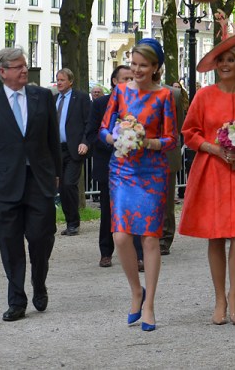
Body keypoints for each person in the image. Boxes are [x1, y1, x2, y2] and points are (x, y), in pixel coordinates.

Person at [179, 30, 235, 326]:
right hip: (211, 171)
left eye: (230, 59)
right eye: (221, 60)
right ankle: (219, 299)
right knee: (215, 237)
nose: (225, 64)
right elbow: (189, 132)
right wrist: (216, 149)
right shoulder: (203, 96)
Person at [0, 47, 61, 322]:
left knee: (40, 238)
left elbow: (52, 138)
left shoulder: (42, 96)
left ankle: (39, 280)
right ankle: (16, 300)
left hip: (39, 181)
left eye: (25, 65)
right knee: (10, 244)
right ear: (3, 72)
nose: (24, 70)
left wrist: (56, 173)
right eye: (18, 66)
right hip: (4, 183)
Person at [100, 38, 177, 332]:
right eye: (133, 64)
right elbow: (104, 128)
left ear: (156, 67)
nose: (137, 70)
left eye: (143, 65)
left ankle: (150, 304)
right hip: (122, 169)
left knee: (149, 239)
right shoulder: (119, 91)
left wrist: (147, 142)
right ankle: (135, 290)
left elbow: (172, 139)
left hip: (152, 171)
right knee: (120, 237)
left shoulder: (164, 97)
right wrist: (117, 138)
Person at [85, 65, 133, 267]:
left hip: (133, 166)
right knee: (107, 209)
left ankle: (137, 254)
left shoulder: (137, 103)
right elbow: (91, 133)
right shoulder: (101, 104)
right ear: (114, 81)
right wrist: (112, 142)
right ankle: (106, 252)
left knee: (133, 210)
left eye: (132, 78)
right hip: (108, 164)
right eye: (125, 78)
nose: (129, 81)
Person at [55, 68, 91, 236]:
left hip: (74, 149)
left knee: (69, 184)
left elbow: (89, 122)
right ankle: (69, 221)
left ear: (70, 81)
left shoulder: (81, 98)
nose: (59, 82)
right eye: (57, 79)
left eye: (62, 80)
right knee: (62, 187)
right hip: (57, 150)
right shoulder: (54, 99)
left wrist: (85, 142)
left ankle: (74, 222)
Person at [160, 82, 187, 256]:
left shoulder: (174, 94)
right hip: (141, 153)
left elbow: (179, 125)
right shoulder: (133, 91)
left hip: (167, 151)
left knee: (167, 199)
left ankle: (164, 238)